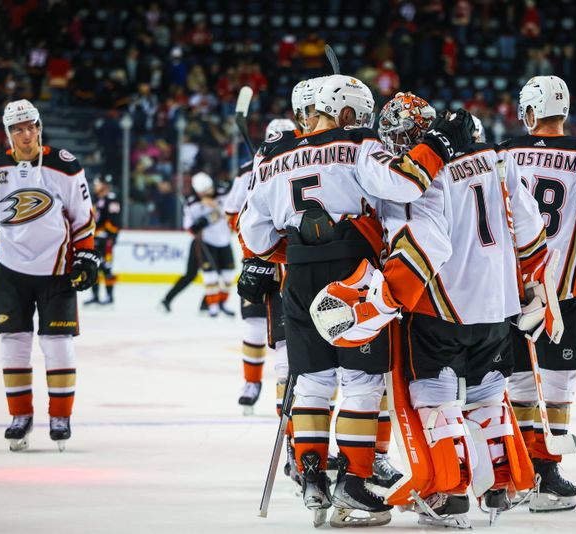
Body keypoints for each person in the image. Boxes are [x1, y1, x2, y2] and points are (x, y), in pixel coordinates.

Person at [239, 74, 474, 527]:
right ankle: (352, 480)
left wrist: (289, 254)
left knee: (310, 380)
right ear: (347, 113)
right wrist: (440, 145)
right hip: (354, 273)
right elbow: (404, 184)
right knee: (361, 384)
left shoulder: (271, 156)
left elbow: (255, 234)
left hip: (301, 275)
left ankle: (310, 471)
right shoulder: (358, 143)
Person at [369, 92, 553, 527]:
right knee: (489, 392)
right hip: (497, 304)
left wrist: (382, 299)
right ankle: (500, 486)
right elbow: (529, 228)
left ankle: (449, 496)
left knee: (436, 399)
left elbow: (424, 245)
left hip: (443, 302)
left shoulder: (421, 177)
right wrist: (531, 281)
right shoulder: (494, 158)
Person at [499, 75, 576, 512]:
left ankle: (517, 471)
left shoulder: (504, 152)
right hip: (565, 286)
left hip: (511, 288)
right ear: (564, 112)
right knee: (557, 382)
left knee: (515, 380)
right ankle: (547, 473)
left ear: (529, 112)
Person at [0, 99, 99, 452]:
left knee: (57, 345)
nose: (26, 134)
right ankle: (20, 417)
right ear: (8, 133)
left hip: (56, 271)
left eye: (31, 126)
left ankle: (60, 416)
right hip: (11, 271)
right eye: (18, 129)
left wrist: (87, 256)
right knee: (13, 343)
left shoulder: (65, 166)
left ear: (40, 127)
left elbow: (83, 218)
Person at [226, 118, 296, 414]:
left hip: (284, 262)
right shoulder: (246, 173)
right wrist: (256, 236)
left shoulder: (297, 163)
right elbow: (233, 213)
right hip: (257, 259)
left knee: (287, 335)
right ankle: (251, 383)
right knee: (254, 327)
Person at [183, 172, 234, 318]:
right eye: (203, 192)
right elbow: (189, 227)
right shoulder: (192, 203)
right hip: (207, 242)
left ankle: (223, 304)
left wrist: (216, 207)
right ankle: (212, 308)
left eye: (209, 189)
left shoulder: (224, 194)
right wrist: (198, 224)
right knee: (210, 276)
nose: (208, 193)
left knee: (228, 275)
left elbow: (232, 213)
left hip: (224, 240)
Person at [84, 174, 120, 305]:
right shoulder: (95, 199)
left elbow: (114, 222)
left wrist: (108, 235)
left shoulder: (112, 200)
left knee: (106, 267)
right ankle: (95, 296)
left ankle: (110, 297)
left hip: (106, 239)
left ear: (104, 185)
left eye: (97, 183)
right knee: (93, 267)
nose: (95, 186)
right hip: (95, 238)